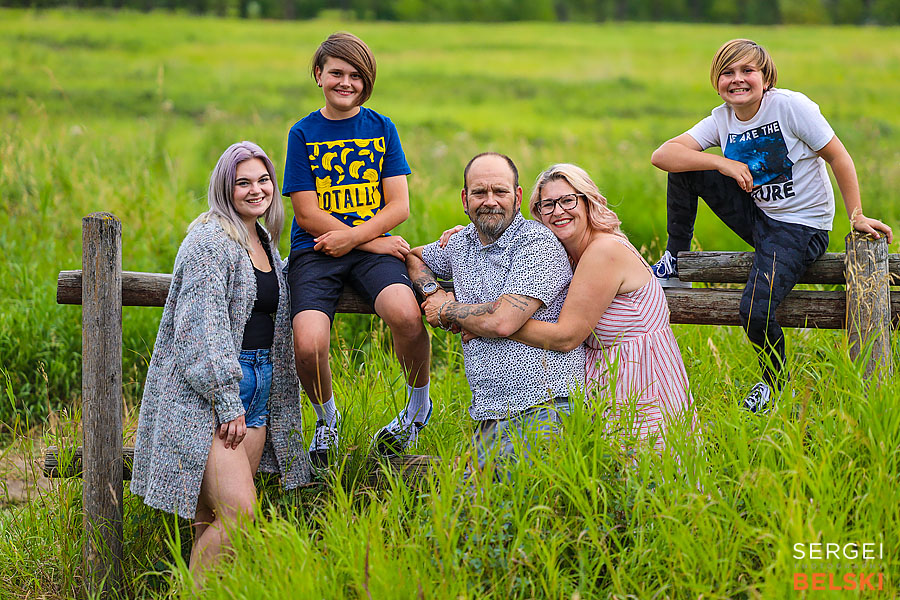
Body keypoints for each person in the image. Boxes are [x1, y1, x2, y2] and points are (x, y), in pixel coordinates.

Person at [649, 38, 893, 412]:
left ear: (766, 77)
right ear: (717, 80)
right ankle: (675, 262)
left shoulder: (791, 107)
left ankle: (774, 386)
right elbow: (662, 155)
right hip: (759, 215)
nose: (737, 80)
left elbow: (839, 157)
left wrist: (856, 215)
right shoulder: (721, 118)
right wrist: (722, 163)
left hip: (800, 228)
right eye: (728, 73)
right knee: (684, 169)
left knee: (753, 310)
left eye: (747, 71)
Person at [130, 142, 311, 579]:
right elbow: (201, 330)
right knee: (241, 518)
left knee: (211, 521)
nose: (256, 190)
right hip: (212, 394)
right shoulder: (209, 241)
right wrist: (227, 399)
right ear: (224, 188)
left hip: (260, 385)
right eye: (243, 182)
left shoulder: (262, 240)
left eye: (264, 180)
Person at [282, 32, 431, 464]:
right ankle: (327, 419)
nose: (346, 82)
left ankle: (417, 406)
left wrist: (357, 239)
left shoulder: (381, 128)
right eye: (336, 73)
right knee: (309, 343)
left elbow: (399, 205)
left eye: (356, 76)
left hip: (368, 247)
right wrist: (362, 238)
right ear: (318, 75)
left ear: (366, 83)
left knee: (405, 312)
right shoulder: (303, 133)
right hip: (316, 250)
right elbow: (307, 214)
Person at [405, 152, 584, 474]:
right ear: (465, 198)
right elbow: (415, 257)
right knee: (472, 504)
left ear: (517, 197)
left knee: (496, 502)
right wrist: (434, 291)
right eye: (479, 192)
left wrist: (447, 309)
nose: (490, 201)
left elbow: (502, 322)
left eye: (500, 191)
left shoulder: (537, 243)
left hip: (545, 405)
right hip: (490, 413)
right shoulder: (461, 243)